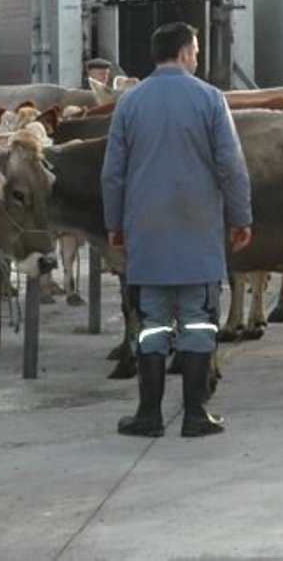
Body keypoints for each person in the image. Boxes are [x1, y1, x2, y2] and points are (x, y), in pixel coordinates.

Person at [101, 22, 253, 439]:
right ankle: (194, 414)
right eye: (197, 50)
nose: (198, 57)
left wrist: (115, 225)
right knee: (198, 323)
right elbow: (231, 166)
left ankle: (148, 414)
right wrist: (241, 218)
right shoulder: (209, 99)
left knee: (152, 323)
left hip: (146, 235)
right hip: (198, 232)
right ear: (186, 52)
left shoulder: (129, 104)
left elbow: (113, 175)